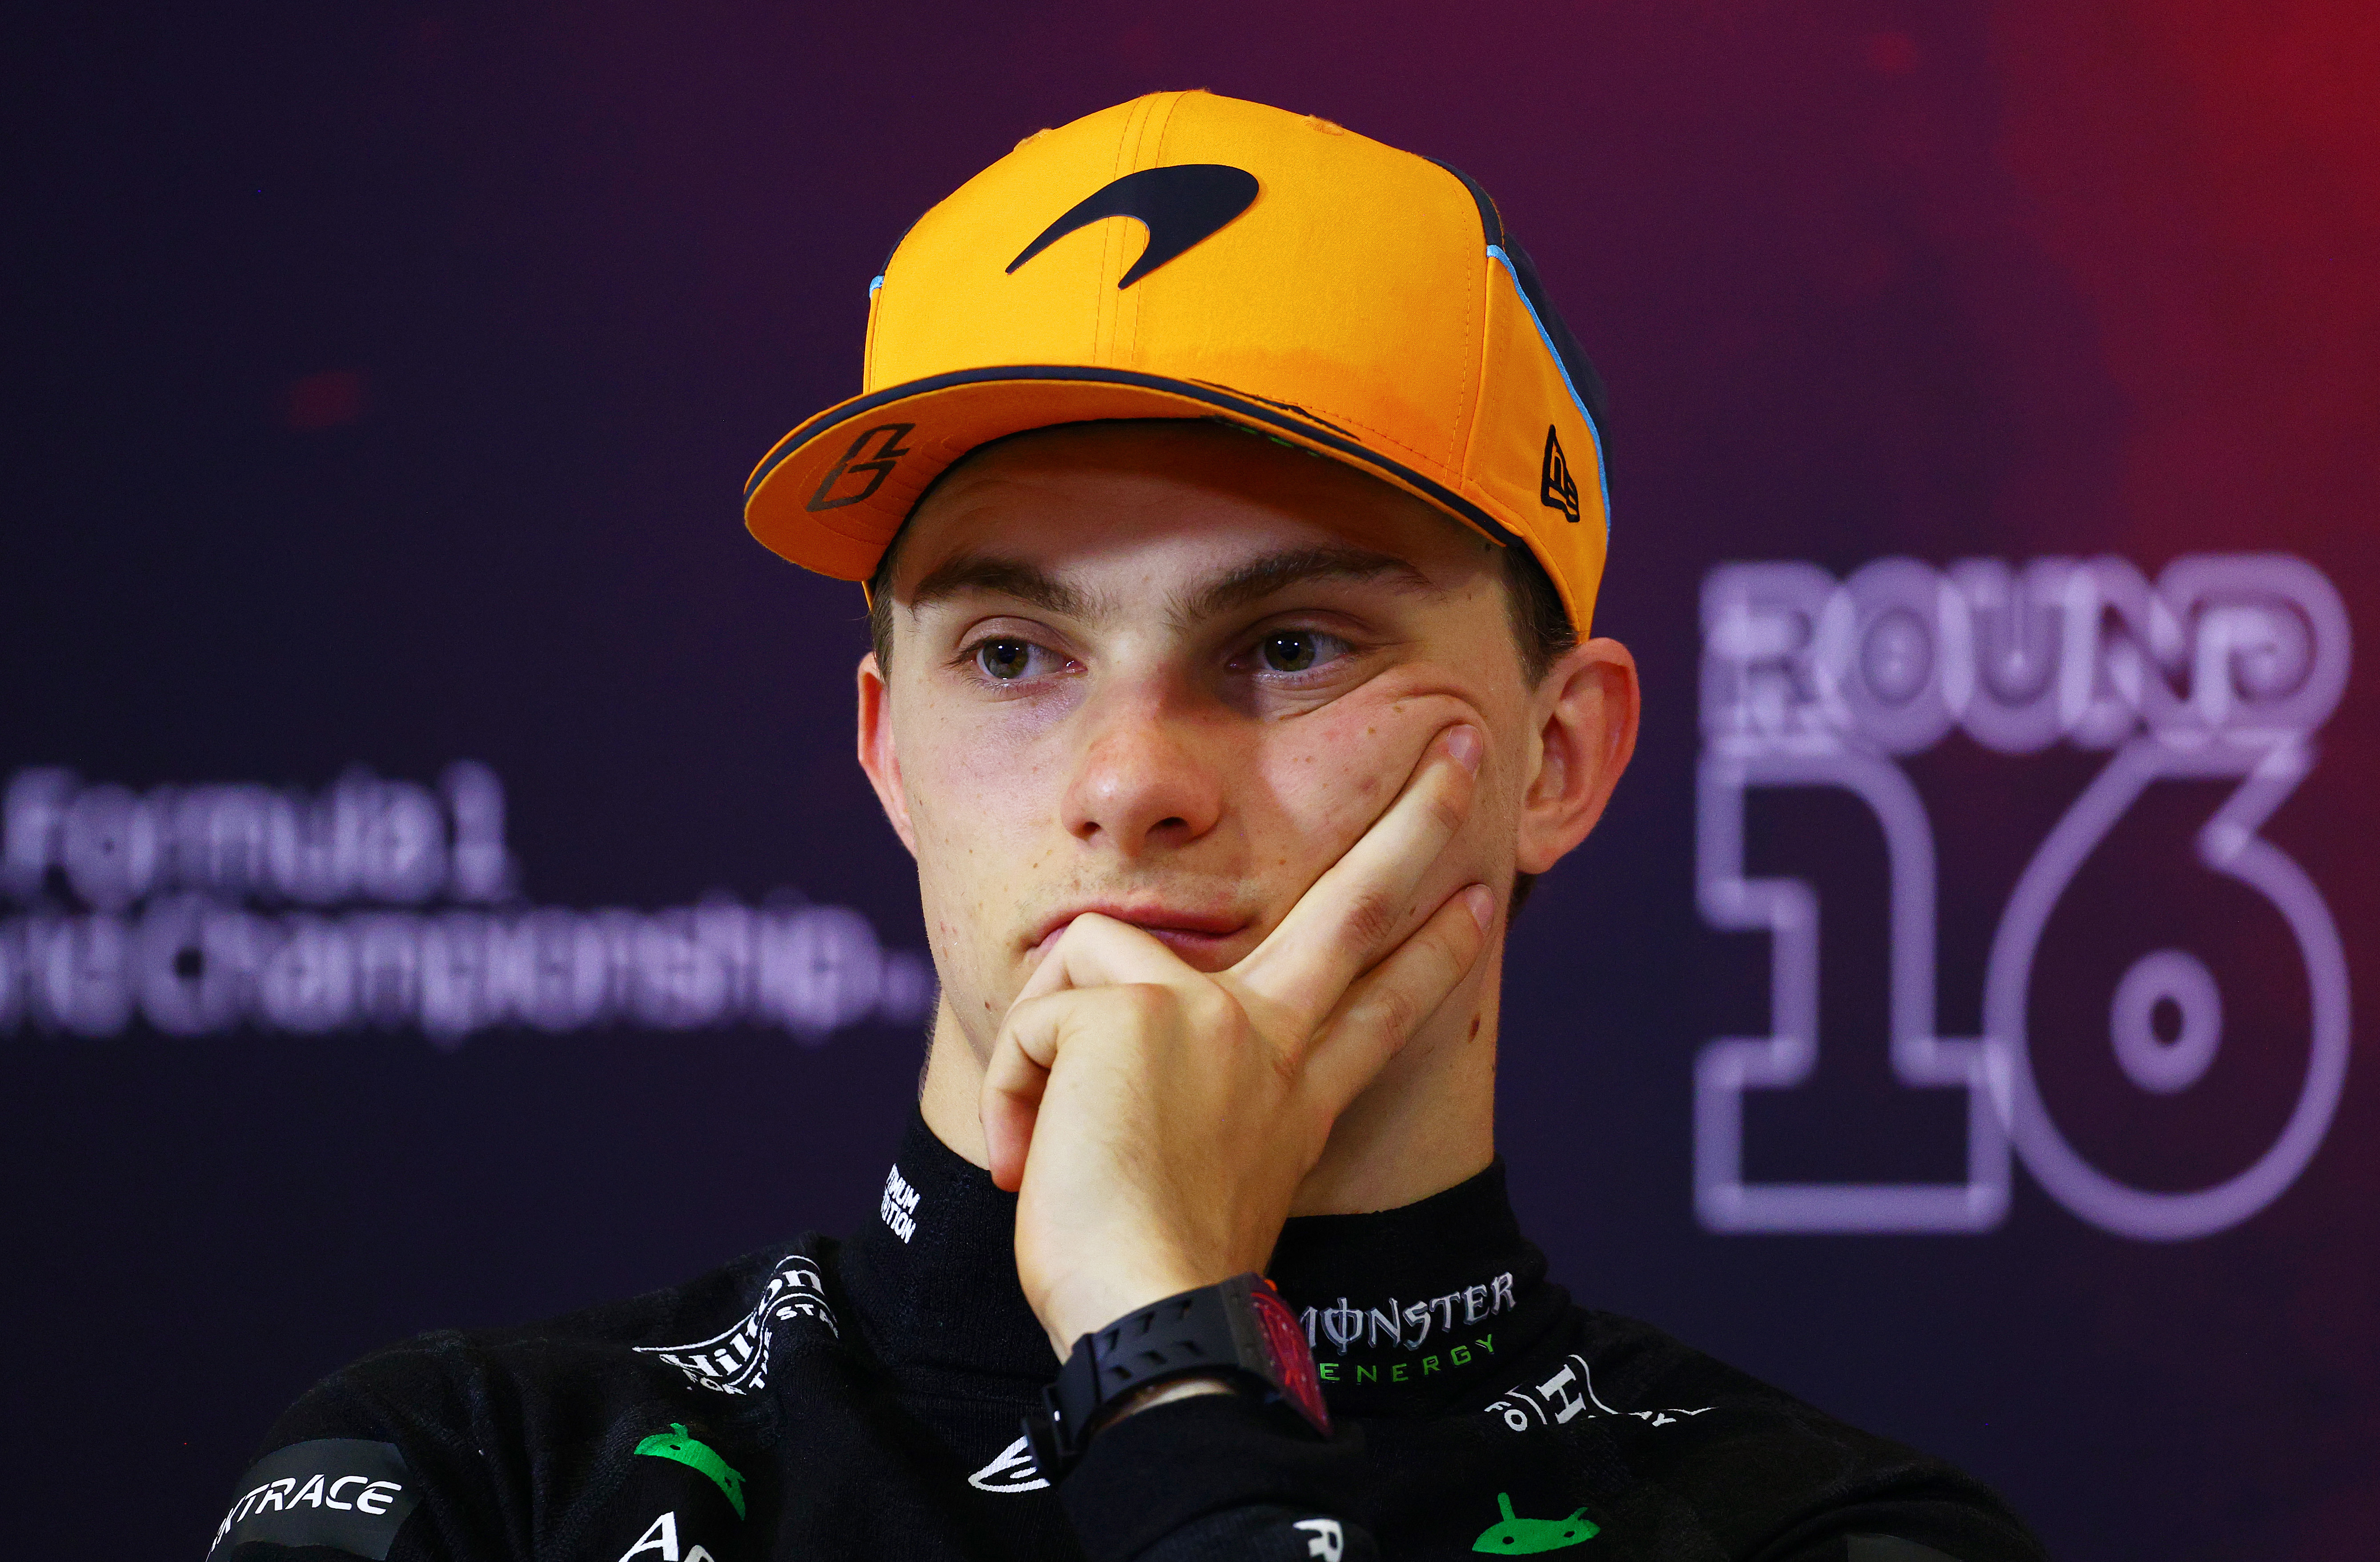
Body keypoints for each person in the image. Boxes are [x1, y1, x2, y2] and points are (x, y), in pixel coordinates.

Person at [210, 91, 2045, 1562]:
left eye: (1289, 645)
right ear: (888, 755)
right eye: (1013, 654)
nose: (1127, 777)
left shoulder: (1825, 1532)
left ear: (1558, 759)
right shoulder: (468, 1479)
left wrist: (1160, 1333)